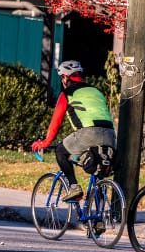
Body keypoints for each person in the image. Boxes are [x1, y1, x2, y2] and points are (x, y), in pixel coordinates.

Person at [31, 60, 116, 202]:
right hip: (110, 134)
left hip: (88, 133)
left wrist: (45, 142)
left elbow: (56, 122)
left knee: (60, 151)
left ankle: (74, 187)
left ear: (65, 77)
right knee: (96, 162)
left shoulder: (67, 94)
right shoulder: (96, 91)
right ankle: (98, 213)